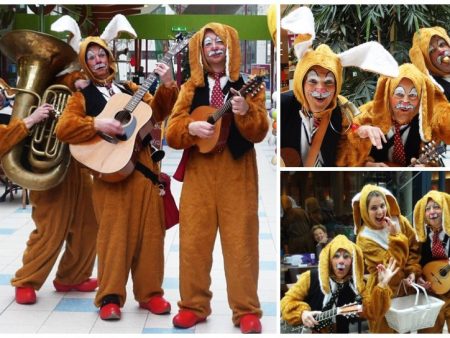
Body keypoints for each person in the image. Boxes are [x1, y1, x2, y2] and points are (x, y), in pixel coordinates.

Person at [55, 18, 179, 320]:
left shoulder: (131, 87)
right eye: (91, 57)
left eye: (101, 55)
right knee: (113, 239)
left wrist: (166, 84)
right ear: (85, 64)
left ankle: (151, 294)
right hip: (109, 175)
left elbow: (159, 111)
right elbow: (64, 128)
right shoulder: (81, 96)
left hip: (146, 172)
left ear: (109, 58)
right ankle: (110, 296)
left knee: (151, 238)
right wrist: (96, 123)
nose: (98, 60)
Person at [165, 22, 269, 333]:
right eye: (208, 42)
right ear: (200, 50)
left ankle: (247, 310)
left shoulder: (249, 86)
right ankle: (193, 306)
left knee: (242, 243)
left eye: (219, 41)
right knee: (193, 242)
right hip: (199, 172)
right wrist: (190, 128)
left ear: (230, 47)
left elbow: (260, 131)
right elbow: (171, 131)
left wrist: (245, 110)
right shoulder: (189, 89)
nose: (214, 47)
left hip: (238, 172)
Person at [0, 69, 99, 305]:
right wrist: (30, 121)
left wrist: (76, 80)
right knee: (51, 230)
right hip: (47, 170)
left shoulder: (50, 88)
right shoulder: (27, 100)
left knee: (88, 225)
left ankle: (72, 276)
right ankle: (27, 280)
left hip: (76, 165)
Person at [279, 6, 398, 167]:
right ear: (301, 81)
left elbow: (350, 136)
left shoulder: (340, 110)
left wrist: (361, 136)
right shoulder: (284, 105)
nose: (320, 89)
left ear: (336, 86)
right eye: (313, 81)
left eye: (328, 82)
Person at [281, 235, 399, 333]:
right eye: (336, 256)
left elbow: (372, 312)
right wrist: (302, 313)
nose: (341, 260)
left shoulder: (356, 285)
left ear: (352, 261)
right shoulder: (310, 277)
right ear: (329, 259)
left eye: (346, 256)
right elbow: (286, 302)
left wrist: (382, 284)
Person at [338, 63, 450, 167]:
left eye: (413, 95)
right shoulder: (369, 114)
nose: (405, 101)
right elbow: (344, 148)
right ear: (388, 93)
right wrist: (367, 164)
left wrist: (426, 167)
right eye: (399, 94)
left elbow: (435, 164)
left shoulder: (427, 124)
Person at [352, 184, 421, 332]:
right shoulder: (364, 238)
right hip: (382, 291)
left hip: (404, 289)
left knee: (404, 329)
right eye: (373, 208)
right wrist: (396, 237)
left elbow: (414, 248)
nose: (380, 211)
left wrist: (412, 272)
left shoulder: (400, 221)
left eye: (382, 205)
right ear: (365, 211)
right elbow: (391, 265)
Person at [413, 190, 450, 333]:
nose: (432, 212)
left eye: (436, 207)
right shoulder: (421, 236)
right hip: (433, 292)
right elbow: (416, 261)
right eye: (427, 209)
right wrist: (419, 278)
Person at [409, 26, 450, 101]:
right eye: (432, 51)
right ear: (428, 62)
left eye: (442, 44)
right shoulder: (435, 90)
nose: (440, 51)